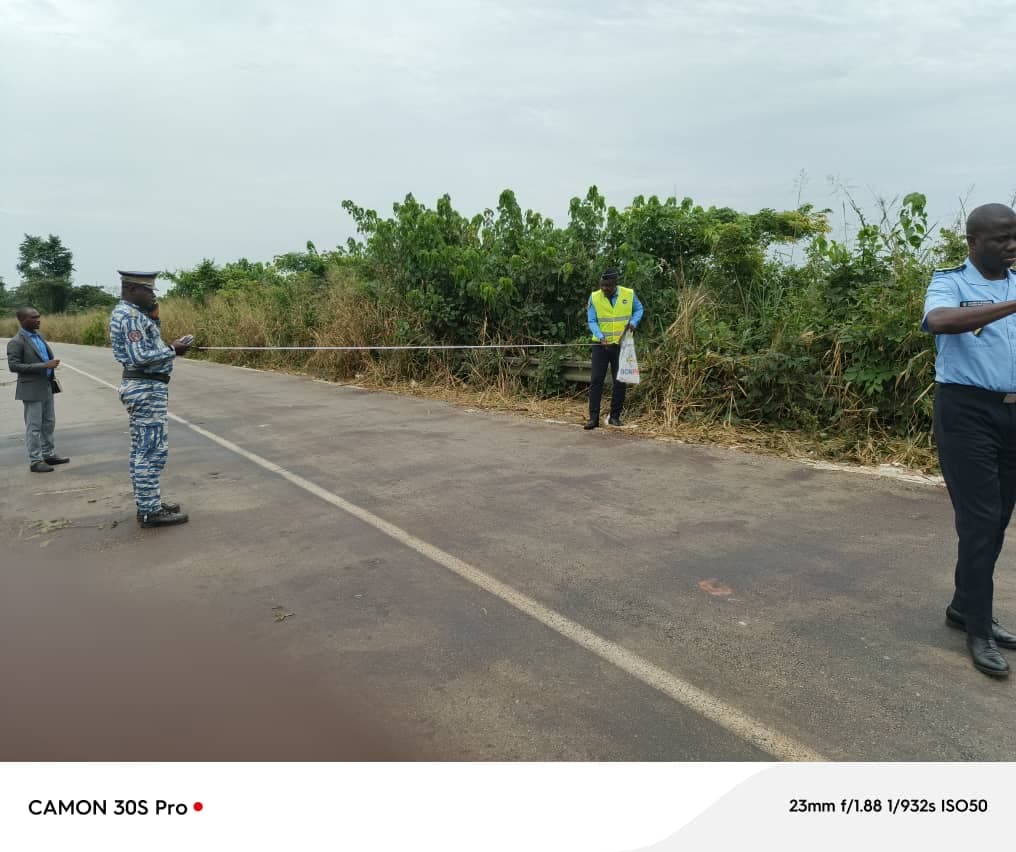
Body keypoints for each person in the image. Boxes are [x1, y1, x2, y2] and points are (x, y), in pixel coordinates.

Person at [923, 202, 1016, 677]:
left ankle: (963, 605)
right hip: (965, 412)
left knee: (998, 517)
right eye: (1002, 238)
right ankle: (979, 628)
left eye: (1015, 236)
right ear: (973, 242)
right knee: (979, 519)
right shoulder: (951, 281)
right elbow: (939, 321)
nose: (1012, 245)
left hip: (1012, 412)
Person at [109, 271, 193, 528]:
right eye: (148, 291)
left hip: (144, 387)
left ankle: (150, 503)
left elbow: (145, 346)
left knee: (141, 450)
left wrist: (154, 319)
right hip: (145, 388)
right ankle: (149, 512)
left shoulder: (133, 314)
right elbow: (140, 356)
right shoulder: (131, 316)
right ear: (132, 289)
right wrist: (173, 350)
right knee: (151, 452)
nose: (153, 295)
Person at [6, 306, 70, 472]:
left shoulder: (39, 336)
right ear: (22, 320)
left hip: (47, 385)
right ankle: (35, 461)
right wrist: (44, 365)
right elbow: (14, 366)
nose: (38, 320)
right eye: (33, 317)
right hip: (31, 389)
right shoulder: (16, 341)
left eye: (38, 316)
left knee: (48, 423)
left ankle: (48, 454)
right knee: (34, 427)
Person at [584, 268, 644, 429]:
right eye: (602, 285)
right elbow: (591, 320)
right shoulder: (594, 297)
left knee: (620, 381)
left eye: (608, 286)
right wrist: (600, 336)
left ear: (615, 284)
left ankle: (615, 417)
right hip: (600, 345)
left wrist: (634, 322)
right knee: (596, 380)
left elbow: (639, 309)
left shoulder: (629, 294)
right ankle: (593, 418)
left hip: (621, 345)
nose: (604, 289)